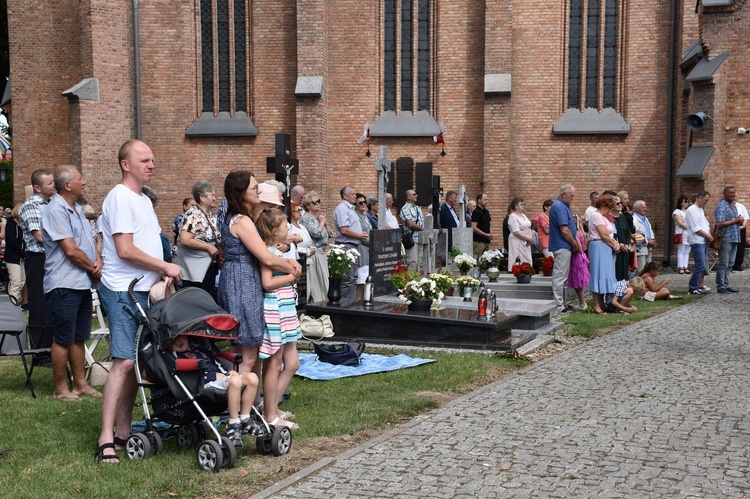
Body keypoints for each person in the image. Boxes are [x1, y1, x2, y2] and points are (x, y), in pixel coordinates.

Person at [95, 140, 184, 464]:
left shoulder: (143, 200)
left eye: (152, 159)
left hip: (145, 291)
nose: (151, 165)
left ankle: (122, 431)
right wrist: (165, 266)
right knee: (124, 362)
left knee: (135, 362)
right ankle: (105, 438)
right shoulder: (119, 197)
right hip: (122, 289)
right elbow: (125, 250)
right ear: (126, 164)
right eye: (144, 160)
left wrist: (164, 276)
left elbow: (148, 243)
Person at [216, 171, 300, 405]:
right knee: (250, 352)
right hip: (242, 283)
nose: (258, 191)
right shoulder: (241, 221)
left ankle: (253, 404)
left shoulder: (239, 216)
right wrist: (292, 270)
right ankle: (237, 406)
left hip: (240, 277)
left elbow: (270, 253)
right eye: (254, 188)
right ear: (241, 193)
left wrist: (286, 260)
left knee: (252, 348)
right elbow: (268, 258)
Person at [42, 165, 102, 402]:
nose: (84, 182)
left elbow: (89, 243)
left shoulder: (77, 209)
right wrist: (93, 267)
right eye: (80, 179)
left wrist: (97, 262)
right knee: (63, 337)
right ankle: (60, 388)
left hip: (81, 282)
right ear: (67, 185)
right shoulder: (56, 210)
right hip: (63, 283)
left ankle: (80, 384)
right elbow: (71, 250)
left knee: (79, 336)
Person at [168, 335, 264, 447]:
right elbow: (189, 377)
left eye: (178, 336)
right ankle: (233, 423)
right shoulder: (175, 357)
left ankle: (245, 418)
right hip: (202, 385)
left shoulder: (202, 349)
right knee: (234, 381)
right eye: (171, 341)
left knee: (252, 378)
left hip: (222, 379)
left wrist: (228, 373)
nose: (176, 341)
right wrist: (215, 376)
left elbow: (217, 363)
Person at [255, 208, 301, 430]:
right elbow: (267, 283)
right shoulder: (268, 254)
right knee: (274, 361)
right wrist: (291, 278)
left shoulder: (279, 251)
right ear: (274, 231)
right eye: (285, 226)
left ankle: (270, 405)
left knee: (292, 362)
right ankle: (270, 414)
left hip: (286, 307)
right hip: (275, 308)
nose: (288, 229)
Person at [19, 169, 56, 367]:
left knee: (52, 306)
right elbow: (40, 236)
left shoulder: (51, 204)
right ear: (37, 187)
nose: (53, 185)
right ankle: (41, 355)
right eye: (49, 183)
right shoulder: (32, 206)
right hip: (38, 259)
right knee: (40, 306)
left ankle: (52, 349)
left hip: (51, 259)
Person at [175, 180, 220, 300]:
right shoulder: (193, 214)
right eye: (212, 195)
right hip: (195, 272)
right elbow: (185, 239)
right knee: (199, 301)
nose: (215, 198)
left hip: (205, 268)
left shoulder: (207, 214)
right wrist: (208, 247)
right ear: (202, 197)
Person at [588, 194, 624, 314]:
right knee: (598, 274)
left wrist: (616, 244)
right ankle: (596, 305)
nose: (610, 210)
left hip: (605, 247)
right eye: (609, 207)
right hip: (599, 246)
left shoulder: (603, 217)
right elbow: (603, 234)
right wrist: (614, 245)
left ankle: (602, 303)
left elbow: (610, 234)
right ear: (603, 205)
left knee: (605, 275)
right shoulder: (596, 216)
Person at [548, 184, 582, 313]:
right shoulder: (559, 206)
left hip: (563, 245)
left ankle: (563, 302)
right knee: (560, 275)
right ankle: (559, 304)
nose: (572, 199)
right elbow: (564, 229)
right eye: (571, 196)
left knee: (563, 276)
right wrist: (574, 243)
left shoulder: (562, 206)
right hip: (562, 245)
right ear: (564, 195)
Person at [333, 185, 366, 300]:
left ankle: (350, 303)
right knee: (348, 278)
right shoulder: (342, 208)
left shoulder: (350, 208)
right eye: (352, 194)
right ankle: (344, 304)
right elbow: (344, 229)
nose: (355, 196)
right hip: (346, 246)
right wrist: (359, 235)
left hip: (353, 246)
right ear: (345, 196)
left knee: (353, 277)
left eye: (355, 194)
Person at [299, 191, 331, 302]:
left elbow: (331, 234)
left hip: (322, 253)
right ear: (308, 205)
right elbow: (317, 234)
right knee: (318, 285)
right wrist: (321, 222)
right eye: (315, 202)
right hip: (315, 254)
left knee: (325, 284)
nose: (318, 203)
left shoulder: (317, 218)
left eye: (319, 201)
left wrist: (324, 222)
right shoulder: (305, 219)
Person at [714, 185, 743, 293]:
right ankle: (720, 286)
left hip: (735, 237)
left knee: (730, 264)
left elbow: (733, 220)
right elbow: (720, 223)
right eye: (730, 193)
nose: (733, 194)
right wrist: (735, 221)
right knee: (723, 264)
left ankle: (726, 285)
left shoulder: (733, 206)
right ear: (724, 194)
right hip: (725, 238)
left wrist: (739, 221)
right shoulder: (722, 206)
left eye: (734, 193)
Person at [686, 191, 713, 295]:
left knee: (702, 264)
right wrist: (707, 236)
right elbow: (695, 228)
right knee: (700, 264)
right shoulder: (691, 210)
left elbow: (705, 224)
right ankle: (693, 287)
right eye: (706, 200)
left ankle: (699, 285)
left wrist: (709, 233)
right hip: (697, 240)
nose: (706, 202)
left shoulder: (701, 210)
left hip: (703, 240)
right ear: (699, 198)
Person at [4, 203, 26, 305]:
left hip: (21, 257)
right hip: (13, 257)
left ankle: (15, 301)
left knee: (22, 281)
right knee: (16, 282)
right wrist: (23, 253)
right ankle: (12, 304)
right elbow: (12, 242)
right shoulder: (11, 224)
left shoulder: (22, 224)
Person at [568, 214, 590, 310]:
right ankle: (582, 302)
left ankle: (582, 303)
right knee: (578, 281)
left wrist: (570, 249)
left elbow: (580, 249)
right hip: (582, 257)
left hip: (576, 258)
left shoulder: (576, 235)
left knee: (577, 281)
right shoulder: (582, 233)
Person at [507, 197, 534, 271]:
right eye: (521, 204)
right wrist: (528, 238)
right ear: (516, 206)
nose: (523, 206)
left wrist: (530, 238)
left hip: (526, 241)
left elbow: (528, 227)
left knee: (527, 258)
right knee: (517, 258)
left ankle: (527, 270)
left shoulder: (524, 215)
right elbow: (516, 231)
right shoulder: (513, 216)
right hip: (517, 240)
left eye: (524, 204)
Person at [400, 189, 424, 271]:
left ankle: (417, 282)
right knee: (412, 263)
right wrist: (423, 230)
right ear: (408, 197)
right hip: (412, 240)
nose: (416, 195)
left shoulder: (417, 208)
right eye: (414, 194)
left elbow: (421, 222)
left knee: (420, 263)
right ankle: (410, 282)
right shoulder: (405, 209)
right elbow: (410, 224)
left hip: (421, 239)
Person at [354, 193, 373, 300]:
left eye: (365, 202)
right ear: (355, 205)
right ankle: (357, 304)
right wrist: (374, 242)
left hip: (368, 251)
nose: (363, 204)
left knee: (366, 282)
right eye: (360, 202)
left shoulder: (365, 216)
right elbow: (362, 236)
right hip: (361, 251)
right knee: (360, 283)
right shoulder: (356, 217)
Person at [611, 195, 632, 281]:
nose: (620, 205)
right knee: (617, 269)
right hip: (616, 248)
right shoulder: (609, 217)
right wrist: (619, 244)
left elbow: (627, 232)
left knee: (624, 270)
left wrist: (626, 244)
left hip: (624, 248)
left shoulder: (622, 217)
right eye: (617, 203)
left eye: (620, 203)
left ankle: (623, 290)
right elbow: (611, 234)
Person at [632, 200, 656, 274]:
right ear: (636, 209)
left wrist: (652, 239)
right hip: (641, 247)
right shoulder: (634, 219)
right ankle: (641, 284)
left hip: (649, 247)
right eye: (643, 207)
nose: (645, 209)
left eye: (645, 207)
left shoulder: (645, 219)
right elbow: (637, 233)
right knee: (641, 269)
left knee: (649, 268)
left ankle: (647, 284)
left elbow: (649, 230)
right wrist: (647, 242)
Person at [673, 194, 691, 274]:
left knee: (687, 250)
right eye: (685, 201)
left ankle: (685, 266)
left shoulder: (688, 211)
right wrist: (690, 227)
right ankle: (680, 266)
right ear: (680, 203)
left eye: (687, 201)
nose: (686, 203)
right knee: (681, 250)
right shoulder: (677, 212)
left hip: (689, 233)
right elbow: (679, 223)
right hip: (682, 232)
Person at [472, 192, 493, 258]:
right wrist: (485, 234)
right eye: (485, 200)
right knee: (479, 261)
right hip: (479, 242)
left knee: (486, 262)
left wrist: (490, 233)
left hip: (487, 241)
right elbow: (473, 227)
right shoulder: (476, 212)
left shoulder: (486, 212)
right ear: (479, 200)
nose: (486, 201)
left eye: (487, 200)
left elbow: (488, 224)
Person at [732, 199, 748, 271]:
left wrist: (743, 226)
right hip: (731, 226)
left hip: (741, 227)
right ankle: (730, 265)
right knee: (731, 245)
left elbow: (746, 217)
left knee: (740, 246)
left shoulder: (741, 206)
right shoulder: (726, 207)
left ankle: (738, 265)